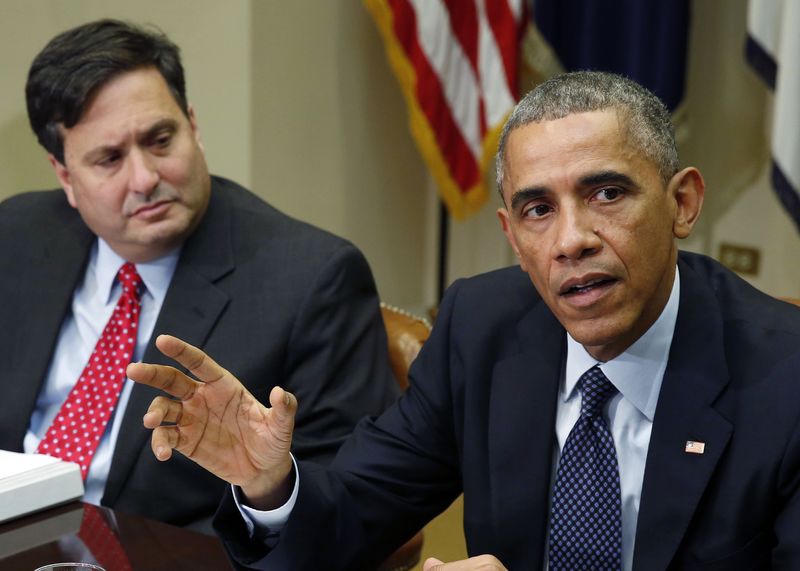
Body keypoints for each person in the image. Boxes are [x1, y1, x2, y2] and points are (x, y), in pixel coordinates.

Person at [129, 71, 800, 569]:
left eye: (607, 193)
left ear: (682, 202)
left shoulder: (786, 377)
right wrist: (269, 481)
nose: (571, 240)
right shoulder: (482, 326)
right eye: (539, 209)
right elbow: (353, 516)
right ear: (512, 234)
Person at [0, 19, 398, 533]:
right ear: (65, 176)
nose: (144, 178)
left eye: (160, 140)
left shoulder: (313, 280)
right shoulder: (19, 234)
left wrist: (268, 488)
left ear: (193, 125)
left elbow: (347, 499)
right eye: (109, 159)